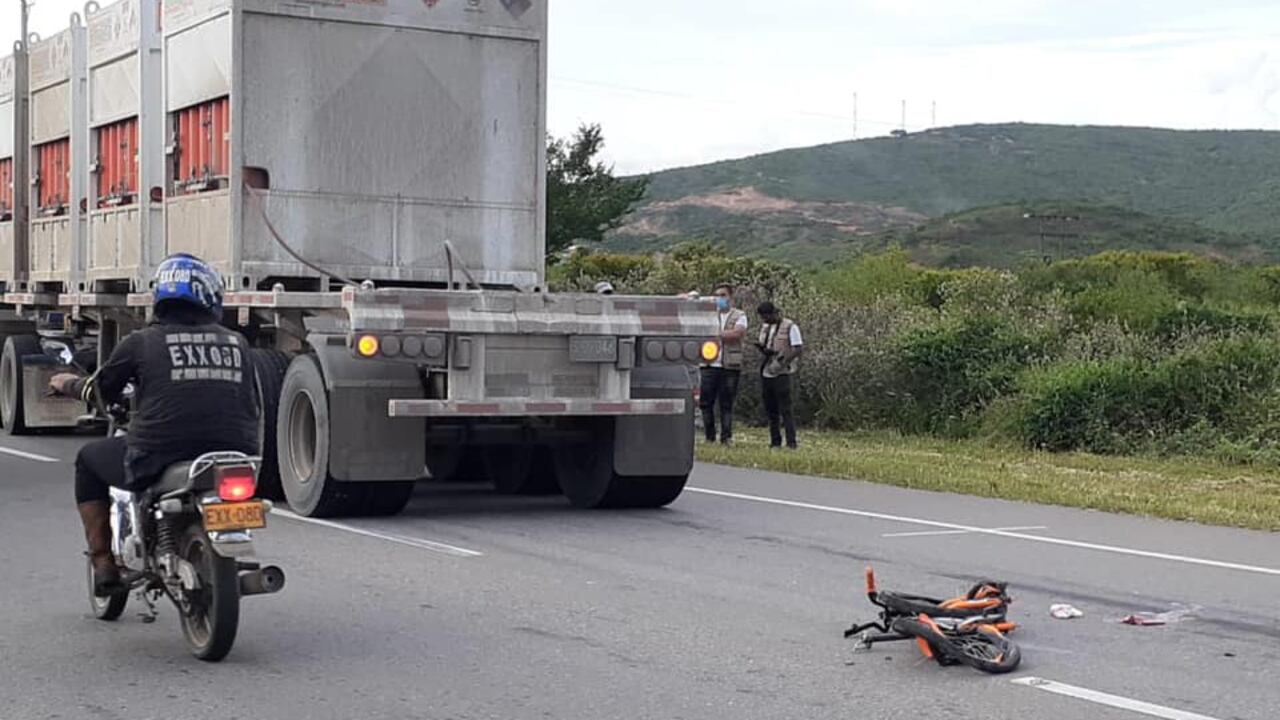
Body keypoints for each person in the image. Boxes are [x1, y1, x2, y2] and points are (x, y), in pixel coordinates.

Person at [51, 253, 260, 596]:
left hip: (159, 454)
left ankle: (103, 561)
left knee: (89, 459)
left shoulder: (141, 342)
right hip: (235, 454)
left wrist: (66, 383)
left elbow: (100, 390)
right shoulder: (238, 342)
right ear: (208, 295)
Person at [700, 283, 748, 445]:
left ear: (730, 297)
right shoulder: (709, 315)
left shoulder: (739, 315)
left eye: (723, 295)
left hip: (729, 366)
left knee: (726, 404)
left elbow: (737, 333)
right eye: (717, 296)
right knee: (706, 403)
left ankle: (726, 437)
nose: (719, 299)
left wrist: (715, 334)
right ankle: (709, 437)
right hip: (709, 365)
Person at [755, 301, 803, 449]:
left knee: (786, 409)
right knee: (771, 408)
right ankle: (775, 441)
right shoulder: (766, 327)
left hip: (783, 371)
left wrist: (783, 361)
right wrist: (763, 350)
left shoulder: (790, 326)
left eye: (767, 316)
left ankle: (791, 442)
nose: (765, 320)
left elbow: (798, 348)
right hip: (767, 369)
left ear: (774, 313)